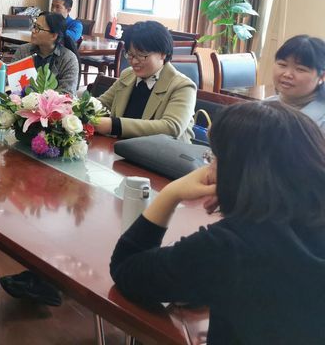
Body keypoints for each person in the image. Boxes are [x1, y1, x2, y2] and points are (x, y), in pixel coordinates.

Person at [110, 101, 325, 344]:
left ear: (240, 171)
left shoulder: (229, 247)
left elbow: (126, 269)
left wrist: (172, 193)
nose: (209, 169)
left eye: (214, 158)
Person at [95, 21, 195, 141]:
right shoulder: (128, 75)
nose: (134, 62)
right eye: (130, 55)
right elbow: (101, 104)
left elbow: (171, 127)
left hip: (161, 151)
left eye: (142, 55)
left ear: (163, 54)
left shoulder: (182, 86)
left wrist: (114, 125)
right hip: (121, 147)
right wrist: (78, 109)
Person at [267, 34, 325, 130]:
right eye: (282, 65)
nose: (287, 74)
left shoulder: (321, 121)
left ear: (322, 77)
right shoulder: (266, 105)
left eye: (300, 69)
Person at [11, 12, 79, 93]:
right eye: (34, 26)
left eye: (38, 28)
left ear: (54, 35)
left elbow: (67, 93)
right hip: (22, 99)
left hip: (53, 101)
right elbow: (11, 81)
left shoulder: (68, 59)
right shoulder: (23, 51)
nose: (33, 31)